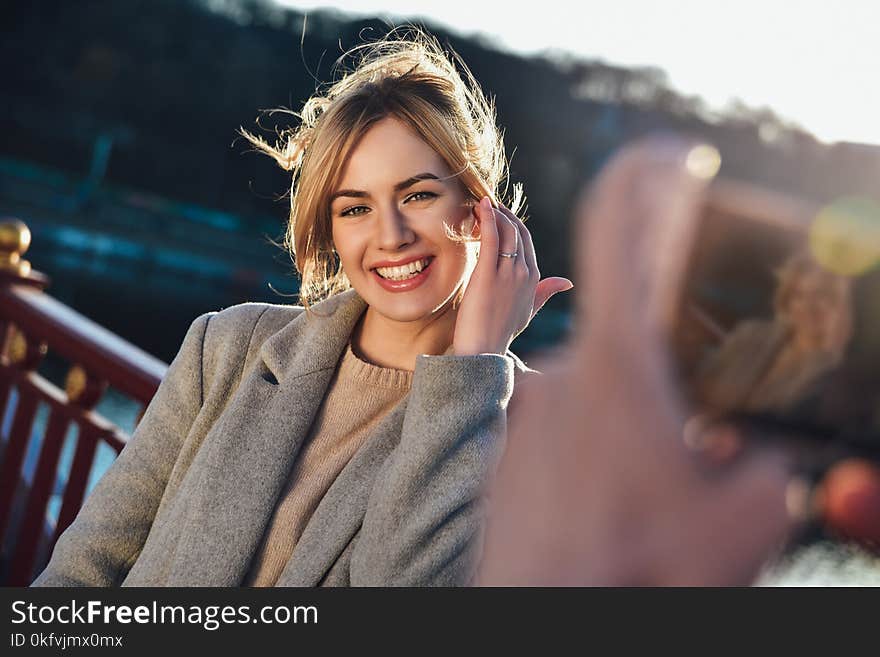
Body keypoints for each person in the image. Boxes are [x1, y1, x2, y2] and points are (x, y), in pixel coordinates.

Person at [32, 32, 572, 587]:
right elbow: (84, 571)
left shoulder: (532, 436)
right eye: (356, 207)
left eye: (418, 195)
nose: (391, 236)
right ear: (330, 228)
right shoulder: (225, 347)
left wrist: (475, 364)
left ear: (481, 205)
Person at [478, 137, 880, 585]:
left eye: (825, 296)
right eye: (800, 289)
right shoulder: (749, 350)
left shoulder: (837, 392)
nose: (809, 303)